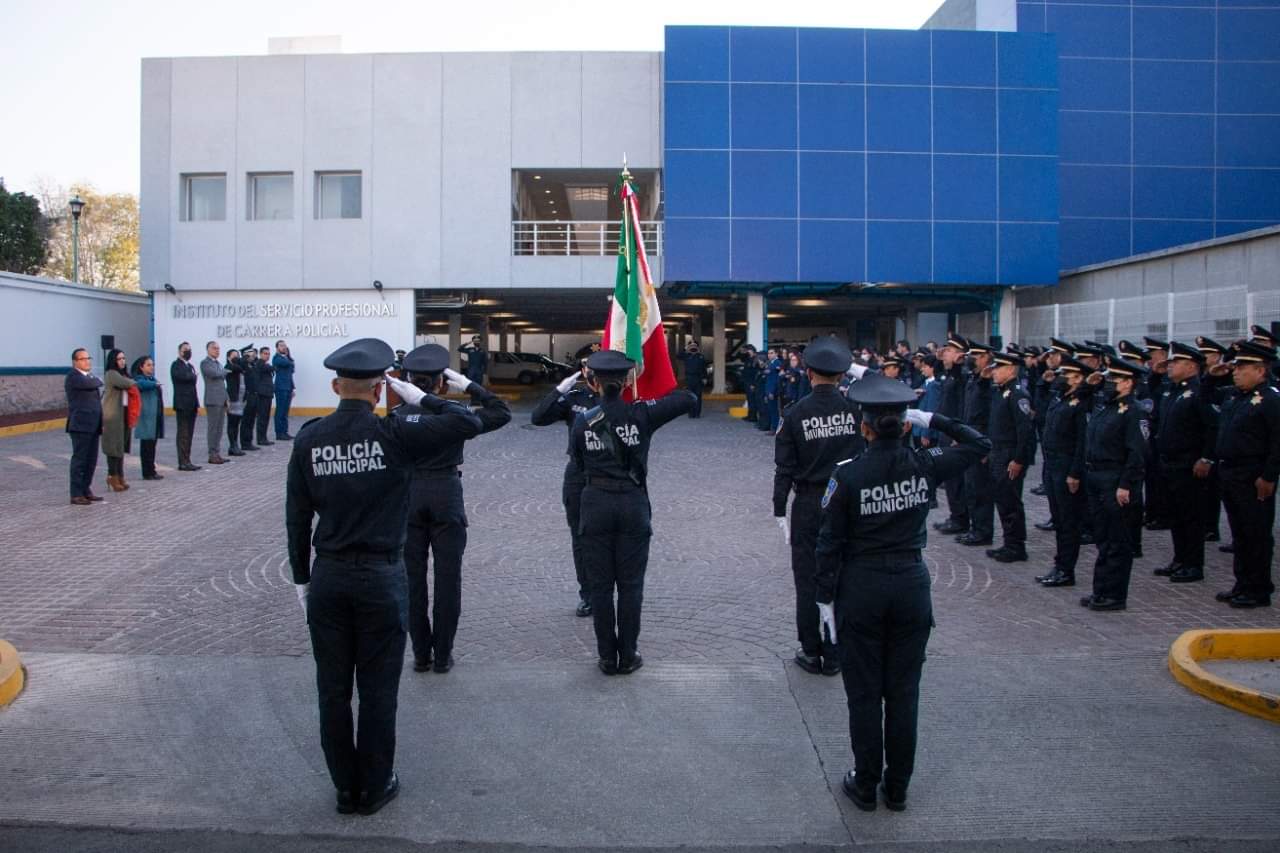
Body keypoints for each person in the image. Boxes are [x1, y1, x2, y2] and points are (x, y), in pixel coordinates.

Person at [286, 338, 483, 816]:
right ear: (380, 390)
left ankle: (344, 787)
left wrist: (301, 580)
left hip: (329, 578)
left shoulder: (310, 438)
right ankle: (373, 786)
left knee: (332, 689)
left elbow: (297, 517)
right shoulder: (392, 435)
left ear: (335, 386)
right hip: (380, 577)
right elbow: (467, 421)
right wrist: (421, 394)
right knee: (377, 689)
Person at [815, 373, 991, 812]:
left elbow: (828, 545)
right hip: (911, 586)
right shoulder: (924, 465)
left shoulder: (848, 477)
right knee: (903, 692)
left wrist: (824, 600)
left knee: (864, 693)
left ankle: (866, 780)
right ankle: (898, 786)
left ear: (864, 426)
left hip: (862, 588)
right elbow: (979, 444)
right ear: (906, 424)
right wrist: (933, 416)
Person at [570, 350, 696, 674]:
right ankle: (628, 655)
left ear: (593, 382)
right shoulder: (642, 415)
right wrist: (648, 385)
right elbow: (688, 398)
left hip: (595, 503)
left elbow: (579, 464)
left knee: (600, 587)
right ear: (627, 380)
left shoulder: (583, 420)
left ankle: (606, 658)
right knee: (630, 585)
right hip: (632, 504)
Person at [394, 344, 511, 673]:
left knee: (412, 581)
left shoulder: (395, 419)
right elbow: (500, 412)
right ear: (441, 384)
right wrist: (470, 385)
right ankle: (443, 655)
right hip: (445, 493)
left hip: (409, 496)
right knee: (448, 579)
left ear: (408, 382)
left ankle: (420, 654)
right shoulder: (454, 418)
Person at [773, 338, 865, 677]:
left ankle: (811, 650)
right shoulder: (856, 410)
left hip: (810, 502)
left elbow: (784, 468)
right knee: (842, 575)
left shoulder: (795, 413)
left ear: (808, 372)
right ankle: (836, 649)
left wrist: (779, 508)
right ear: (841, 376)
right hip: (846, 500)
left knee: (808, 578)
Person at [1212, 340, 1279, 609]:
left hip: (1254, 474)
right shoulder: (1236, 396)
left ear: (1260, 370)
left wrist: (1269, 476)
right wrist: (1210, 377)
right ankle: (1243, 583)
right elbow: (1206, 395)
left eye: (1242, 367)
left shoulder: (1271, 399)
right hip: (1231, 472)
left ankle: (1259, 588)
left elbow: (1277, 441)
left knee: (1257, 533)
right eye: (1235, 367)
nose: (1235, 372)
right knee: (1239, 533)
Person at [531, 359, 600, 616]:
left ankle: (608, 591)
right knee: (581, 538)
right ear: (584, 372)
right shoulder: (575, 397)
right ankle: (589, 594)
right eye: (589, 370)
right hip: (578, 475)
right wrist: (558, 391)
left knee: (609, 538)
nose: (593, 375)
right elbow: (538, 418)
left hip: (610, 474)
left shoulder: (622, 397)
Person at [1080, 357, 1150, 612]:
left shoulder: (1135, 411)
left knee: (1118, 540)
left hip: (1116, 479)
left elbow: (1138, 452)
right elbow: (1082, 400)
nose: (1108, 383)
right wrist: (1090, 384)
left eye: (1114, 379)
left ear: (1128, 383)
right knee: (1103, 538)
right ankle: (1101, 590)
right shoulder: (1107, 406)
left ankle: (1115, 595)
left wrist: (1126, 484)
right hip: (1097, 477)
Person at [1151, 342, 1217, 584]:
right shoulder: (1172, 390)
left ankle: (1193, 564)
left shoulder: (1199, 392)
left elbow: (1212, 427)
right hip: (1170, 463)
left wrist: (1206, 458)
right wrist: (1155, 375)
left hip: (1189, 464)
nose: (1170, 366)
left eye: (1176, 362)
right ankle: (1180, 559)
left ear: (1191, 366)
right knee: (1177, 516)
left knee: (1191, 516)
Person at [1035, 357, 1092, 588]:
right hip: (1053, 465)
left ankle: (1066, 569)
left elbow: (1082, 443)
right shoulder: (1061, 399)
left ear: (1078, 379)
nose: (1061, 377)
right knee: (1059, 519)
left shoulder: (1081, 404)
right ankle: (1059, 565)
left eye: (1066, 375)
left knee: (1069, 522)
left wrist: (1075, 473)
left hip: (1068, 467)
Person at [984, 350, 1034, 563]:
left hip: (1009, 454)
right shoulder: (1001, 392)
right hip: (998, 452)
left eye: (999, 368)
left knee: (1011, 500)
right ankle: (1008, 543)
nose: (994, 372)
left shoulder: (1018, 394)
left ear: (1011, 369)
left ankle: (1016, 546)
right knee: (1002, 499)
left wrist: (1019, 459)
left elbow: (1025, 431)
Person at [956, 342, 995, 547]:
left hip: (981, 434)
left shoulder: (989, 383)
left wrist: (987, 445)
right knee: (971, 485)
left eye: (978, 356)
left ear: (988, 356)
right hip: (970, 434)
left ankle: (983, 531)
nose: (974, 359)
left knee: (981, 487)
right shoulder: (973, 379)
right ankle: (975, 527)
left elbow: (991, 416)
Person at [932, 334, 969, 535]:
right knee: (950, 477)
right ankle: (956, 515)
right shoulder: (951, 374)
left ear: (960, 355)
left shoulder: (962, 375)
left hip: (954, 431)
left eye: (950, 351)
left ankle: (960, 518)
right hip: (945, 430)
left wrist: (959, 433)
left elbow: (964, 406)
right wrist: (940, 360)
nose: (945, 353)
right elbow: (938, 378)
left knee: (955, 477)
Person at [65, 348, 105, 505]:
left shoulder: (88, 377)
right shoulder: (73, 377)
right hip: (81, 425)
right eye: (83, 359)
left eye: (88, 358)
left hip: (93, 425)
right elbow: (96, 382)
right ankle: (76, 493)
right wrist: (97, 380)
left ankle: (85, 489)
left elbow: (95, 384)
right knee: (79, 460)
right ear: (75, 362)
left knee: (91, 460)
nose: (87, 361)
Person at [100, 349, 137, 493]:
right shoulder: (111, 374)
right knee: (113, 448)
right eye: (119, 359)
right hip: (113, 416)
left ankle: (120, 476)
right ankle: (112, 476)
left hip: (124, 414)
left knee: (121, 448)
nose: (122, 361)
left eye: (124, 358)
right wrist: (132, 381)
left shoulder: (123, 374)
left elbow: (129, 382)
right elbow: (126, 383)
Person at [131, 356, 166, 480]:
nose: (151, 367)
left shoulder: (152, 379)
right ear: (141, 367)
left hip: (154, 416)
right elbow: (141, 384)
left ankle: (151, 470)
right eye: (148, 365)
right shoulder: (140, 379)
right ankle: (147, 472)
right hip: (146, 417)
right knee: (146, 446)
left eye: (152, 365)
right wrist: (154, 384)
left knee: (152, 445)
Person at [170, 342, 201, 471]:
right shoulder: (176, 365)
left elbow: (193, 381)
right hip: (182, 404)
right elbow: (183, 377)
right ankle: (182, 461)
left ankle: (187, 460)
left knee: (189, 433)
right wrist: (193, 376)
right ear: (180, 352)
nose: (188, 352)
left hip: (192, 403)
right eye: (185, 350)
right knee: (183, 433)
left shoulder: (190, 366)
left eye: (189, 349)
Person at [200, 341, 228, 465]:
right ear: (208, 349)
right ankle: (212, 453)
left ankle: (217, 452)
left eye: (218, 348)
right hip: (212, 400)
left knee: (219, 428)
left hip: (221, 399)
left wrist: (227, 398)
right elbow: (215, 374)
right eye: (214, 348)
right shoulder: (206, 363)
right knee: (213, 428)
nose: (217, 350)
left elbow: (222, 383)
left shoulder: (218, 363)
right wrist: (224, 372)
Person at [224, 347, 248, 457]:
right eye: (234, 356)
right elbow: (237, 368)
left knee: (237, 423)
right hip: (233, 398)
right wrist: (241, 360)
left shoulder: (239, 366)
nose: (236, 358)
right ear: (228, 357)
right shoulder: (228, 366)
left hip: (240, 399)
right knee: (232, 423)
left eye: (237, 356)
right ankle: (232, 445)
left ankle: (235, 444)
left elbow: (245, 369)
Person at [676, 341, 708, 419]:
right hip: (689, 379)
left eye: (695, 346)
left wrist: (705, 378)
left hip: (698, 379)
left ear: (697, 347)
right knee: (690, 397)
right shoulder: (686, 355)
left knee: (698, 397)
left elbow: (704, 368)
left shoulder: (701, 356)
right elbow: (678, 356)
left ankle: (697, 414)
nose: (693, 347)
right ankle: (691, 413)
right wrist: (686, 348)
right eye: (691, 346)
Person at [238, 346, 261, 453]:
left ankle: (249, 441)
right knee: (246, 420)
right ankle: (245, 442)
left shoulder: (253, 365)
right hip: (247, 396)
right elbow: (241, 362)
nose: (254, 355)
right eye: (251, 354)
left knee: (251, 420)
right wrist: (245, 356)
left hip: (255, 396)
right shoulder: (244, 365)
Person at [273, 340, 297, 440]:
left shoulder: (286, 359)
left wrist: (293, 388)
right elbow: (288, 364)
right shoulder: (276, 358)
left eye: (284, 345)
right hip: (280, 387)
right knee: (280, 410)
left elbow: (291, 373)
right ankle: (279, 433)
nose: (283, 347)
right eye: (281, 346)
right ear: (277, 348)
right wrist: (290, 361)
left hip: (288, 387)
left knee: (285, 411)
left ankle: (285, 431)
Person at [255, 346, 276, 445]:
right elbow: (272, 368)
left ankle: (263, 437)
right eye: (265, 353)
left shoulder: (265, 364)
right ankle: (260, 438)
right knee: (262, 417)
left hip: (267, 394)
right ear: (260, 354)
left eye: (268, 354)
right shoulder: (260, 363)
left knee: (266, 417)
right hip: (262, 394)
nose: (267, 356)